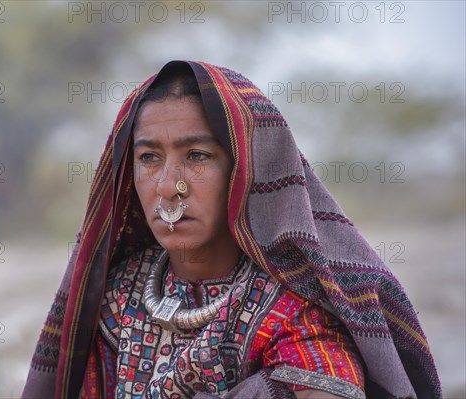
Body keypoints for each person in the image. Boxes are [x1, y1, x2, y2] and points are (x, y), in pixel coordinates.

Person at [22, 61, 441, 398]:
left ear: (246, 172)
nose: (169, 186)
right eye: (149, 158)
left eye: (198, 155)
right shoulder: (114, 299)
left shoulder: (296, 315)